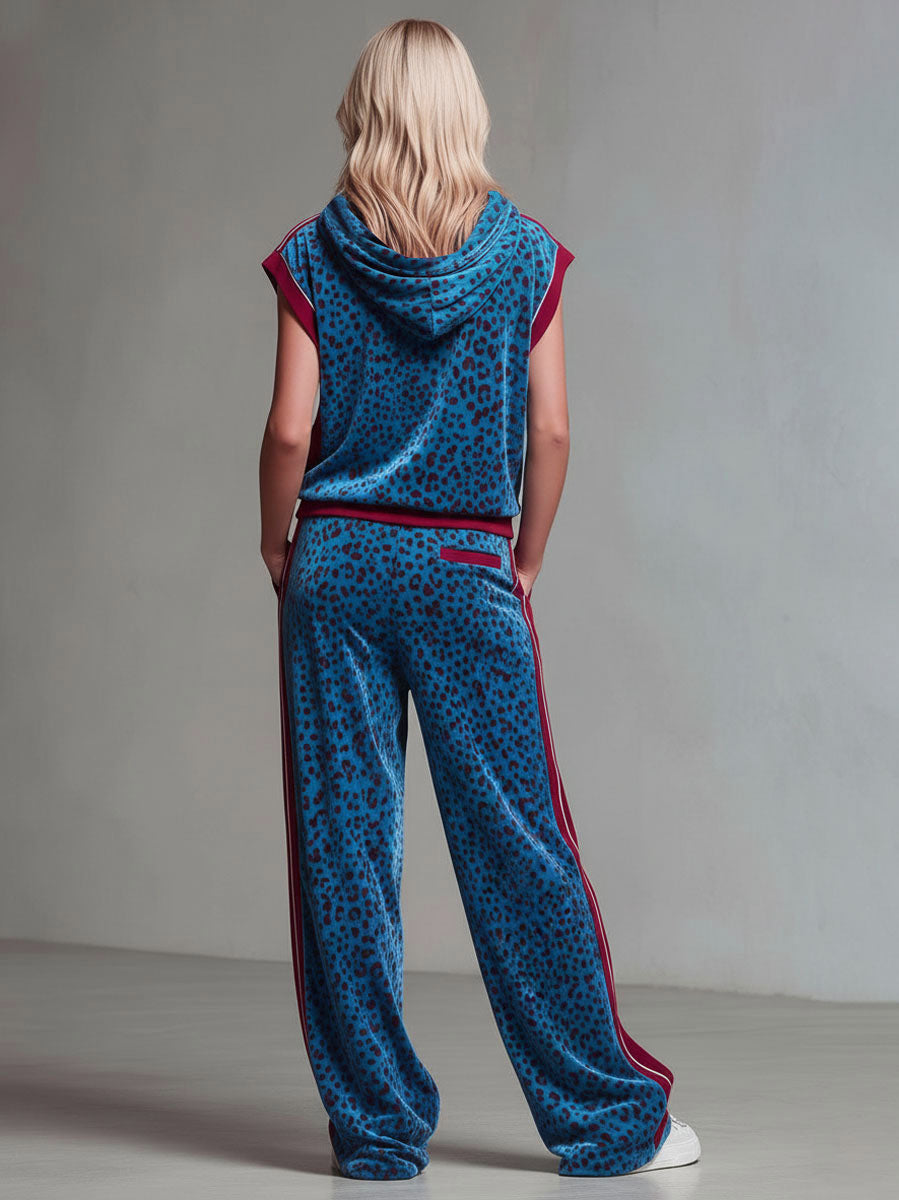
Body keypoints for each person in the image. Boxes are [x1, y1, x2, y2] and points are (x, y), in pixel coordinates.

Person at [258, 17, 701, 1183]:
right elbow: (552, 432)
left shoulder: (314, 256)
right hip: (465, 567)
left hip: (339, 568)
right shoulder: (524, 256)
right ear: (466, 115)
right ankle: (609, 1122)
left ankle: (375, 1131)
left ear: (365, 114)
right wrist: (526, 554)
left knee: (345, 853)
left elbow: (290, 431)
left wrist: (277, 542)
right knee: (520, 848)